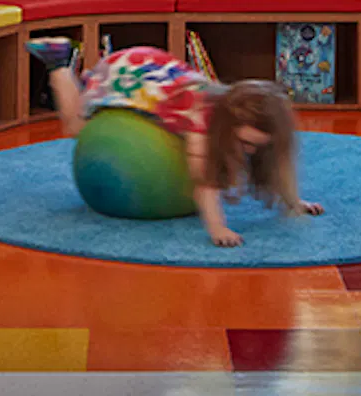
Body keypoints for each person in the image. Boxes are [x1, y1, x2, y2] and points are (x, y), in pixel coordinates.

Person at [44, 42, 324, 249]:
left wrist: (294, 202)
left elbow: (279, 161)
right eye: (245, 143)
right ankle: (58, 64)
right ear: (232, 123)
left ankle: (69, 69)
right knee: (76, 127)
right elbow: (204, 180)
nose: (250, 152)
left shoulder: (235, 109)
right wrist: (218, 228)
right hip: (128, 75)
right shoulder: (204, 119)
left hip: (154, 67)